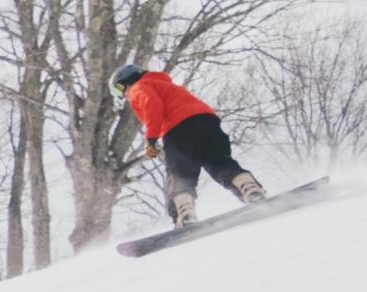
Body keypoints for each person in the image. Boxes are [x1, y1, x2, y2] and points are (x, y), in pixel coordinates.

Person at [112, 63, 268, 228]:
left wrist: (151, 139)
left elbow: (152, 106)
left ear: (126, 81)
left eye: (119, 90)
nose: (123, 95)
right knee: (219, 162)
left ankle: (185, 214)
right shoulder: (166, 85)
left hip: (178, 129)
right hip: (208, 121)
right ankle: (251, 190)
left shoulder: (139, 87)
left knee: (180, 172)